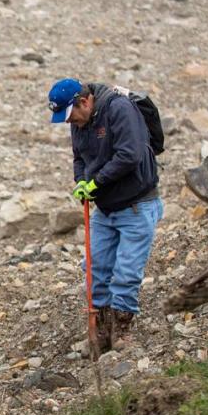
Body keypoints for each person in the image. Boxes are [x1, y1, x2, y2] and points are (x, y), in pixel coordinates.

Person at [48, 78, 162, 353]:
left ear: (84, 102)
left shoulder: (119, 109)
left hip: (137, 204)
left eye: (69, 114)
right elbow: (79, 158)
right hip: (105, 207)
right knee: (94, 266)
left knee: (126, 272)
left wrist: (96, 182)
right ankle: (99, 328)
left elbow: (129, 154)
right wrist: (80, 182)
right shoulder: (80, 122)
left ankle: (121, 331)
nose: (68, 122)